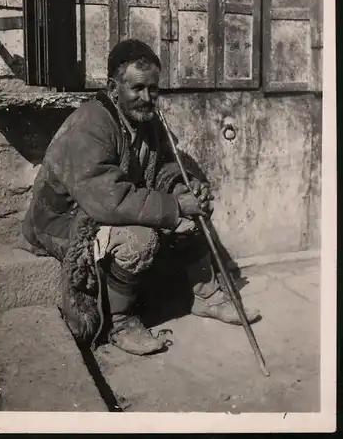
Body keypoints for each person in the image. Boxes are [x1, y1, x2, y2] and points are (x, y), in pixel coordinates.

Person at [23, 38, 260, 356]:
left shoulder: (145, 121)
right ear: (113, 86)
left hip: (105, 208)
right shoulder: (89, 125)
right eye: (137, 88)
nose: (147, 98)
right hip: (65, 220)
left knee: (191, 214)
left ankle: (207, 297)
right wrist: (175, 206)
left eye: (153, 89)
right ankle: (119, 322)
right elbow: (105, 199)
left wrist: (183, 189)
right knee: (140, 239)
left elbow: (162, 167)